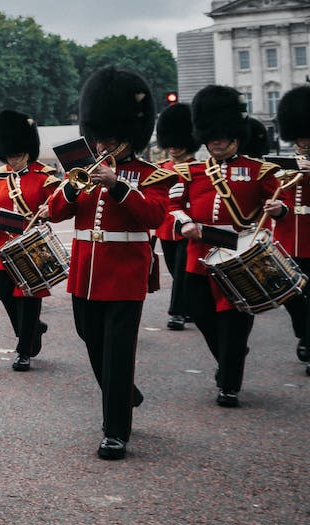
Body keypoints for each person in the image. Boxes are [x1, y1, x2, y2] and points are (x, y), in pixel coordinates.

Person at [39, 67, 172, 460]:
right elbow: (55, 212)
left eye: (110, 139)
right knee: (91, 340)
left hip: (125, 275)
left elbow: (154, 216)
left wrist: (116, 185)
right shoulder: (83, 170)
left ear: (129, 137)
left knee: (117, 353)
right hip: (86, 273)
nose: (102, 145)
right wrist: (70, 185)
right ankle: (124, 392)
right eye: (98, 137)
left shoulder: (149, 175)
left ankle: (115, 431)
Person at [173, 86, 287, 408]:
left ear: (235, 136)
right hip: (200, 257)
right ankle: (229, 358)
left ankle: (229, 384)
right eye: (212, 137)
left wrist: (279, 209)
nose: (217, 142)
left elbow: (281, 202)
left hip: (239, 258)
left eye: (222, 136)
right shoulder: (191, 172)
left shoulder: (258, 171)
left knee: (233, 324)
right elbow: (173, 206)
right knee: (202, 315)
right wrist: (185, 223)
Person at [0, 110, 53, 370]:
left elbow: (59, 206)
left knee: (27, 298)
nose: (12, 160)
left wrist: (50, 210)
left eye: (17, 155)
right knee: (3, 292)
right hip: (4, 247)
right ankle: (32, 330)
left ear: (28, 151)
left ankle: (24, 350)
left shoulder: (44, 176)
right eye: (9, 156)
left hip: (32, 247)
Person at [153, 105, 198, 330]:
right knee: (174, 270)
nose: (172, 147)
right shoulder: (161, 168)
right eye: (170, 142)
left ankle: (177, 313)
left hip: (187, 228)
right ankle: (189, 307)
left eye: (177, 142)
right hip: (165, 228)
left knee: (181, 271)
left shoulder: (198, 169)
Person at [276, 88, 310, 373]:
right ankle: (303, 330)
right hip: (287, 239)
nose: (304, 141)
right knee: (290, 294)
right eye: (300, 136)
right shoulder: (285, 164)